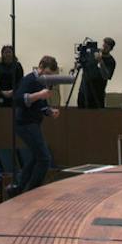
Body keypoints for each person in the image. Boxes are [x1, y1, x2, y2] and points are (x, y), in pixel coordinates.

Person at [12, 54, 74, 192]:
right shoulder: (30, 79)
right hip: (25, 123)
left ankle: (19, 187)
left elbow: (40, 105)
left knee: (37, 156)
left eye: (51, 75)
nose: (48, 77)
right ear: (40, 67)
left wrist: (49, 111)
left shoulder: (41, 81)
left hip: (31, 123)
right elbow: (18, 99)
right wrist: (39, 95)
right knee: (44, 158)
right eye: (47, 73)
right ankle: (32, 190)